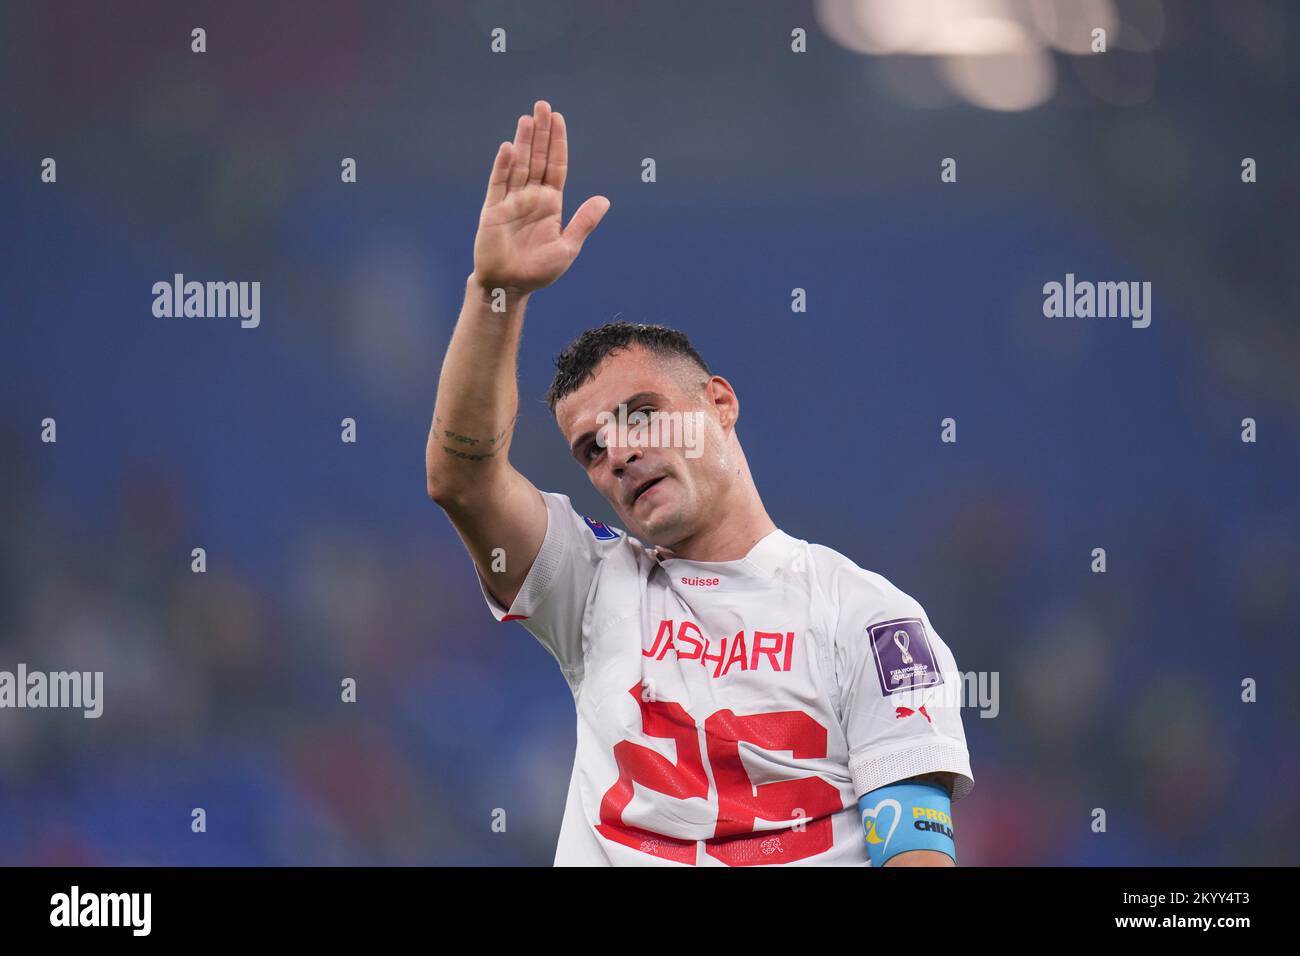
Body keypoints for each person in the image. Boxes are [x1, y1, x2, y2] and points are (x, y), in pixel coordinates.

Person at [426, 100, 973, 866]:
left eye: (640, 414)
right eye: (591, 448)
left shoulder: (871, 619)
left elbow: (914, 856)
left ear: (720, 403)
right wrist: (497, 295)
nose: (617, 453)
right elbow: (462, 477)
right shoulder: (591, 587)